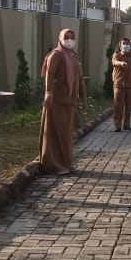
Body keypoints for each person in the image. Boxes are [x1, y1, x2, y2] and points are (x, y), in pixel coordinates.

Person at [39, 28, 88, 174]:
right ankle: (53, 165)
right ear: (60, 38)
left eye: (72, 37)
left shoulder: (74, 57)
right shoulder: (56, 55)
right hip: (56, 101)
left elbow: (80, 80)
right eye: (66, 37)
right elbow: (49, 74)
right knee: (54, 133)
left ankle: (65, 163)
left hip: (69, 102)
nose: (70, 40)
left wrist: (84, 98)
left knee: (66, 134)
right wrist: (48, 93)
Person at [111, 37, 131, 131]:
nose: (126, 46)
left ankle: (127, 124)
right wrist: (121, 63)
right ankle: (117, 125)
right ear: (120, 45)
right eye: (124, 44)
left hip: (130, 84)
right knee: (118, 106)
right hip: (119, 84)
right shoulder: (117, 55)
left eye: (127, 44)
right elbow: (114, 62)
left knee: (128, 107)